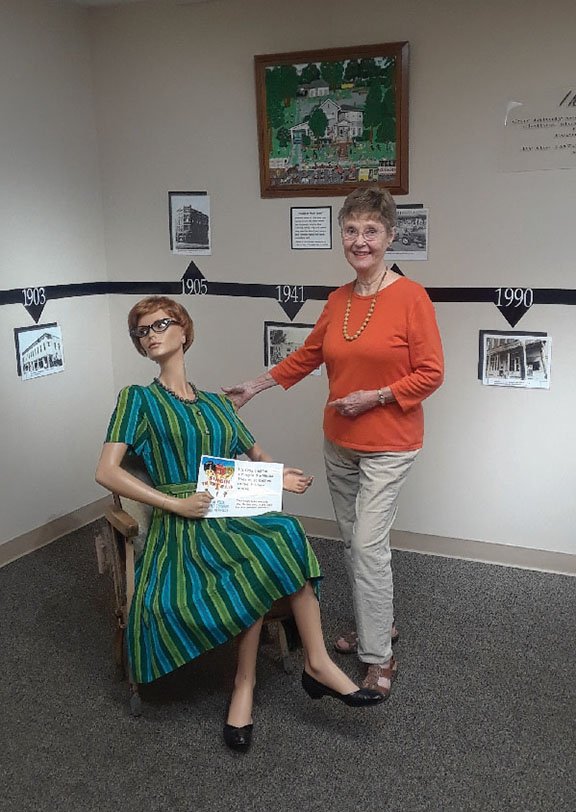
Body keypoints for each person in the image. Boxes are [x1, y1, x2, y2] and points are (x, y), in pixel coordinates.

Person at [95, 296, 384, 755]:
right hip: (183, 526)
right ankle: (248, 684)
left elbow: (258, 458)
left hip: (226, 512)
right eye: (142, 331)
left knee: (284, 532)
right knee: (258, 556)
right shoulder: (138, 399)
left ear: (184, 331)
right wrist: (175, 502)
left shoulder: (216, 404)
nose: (151, 335)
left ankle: (315, 661)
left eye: (160, 324)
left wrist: (282, 477)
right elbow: (107, 472)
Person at [223, 186, 444, 700]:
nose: (359, 240)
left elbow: (432, 373)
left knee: (367, 546)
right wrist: (255, 386)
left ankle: (378, 657)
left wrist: (378, 396)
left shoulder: (412, 298)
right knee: (357, 544)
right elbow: (308, 355)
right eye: (351, 230)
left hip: (391, 444)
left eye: (370, 230)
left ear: (390, 237)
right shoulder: (340, 300)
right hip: (339, 442)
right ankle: (378, 624)